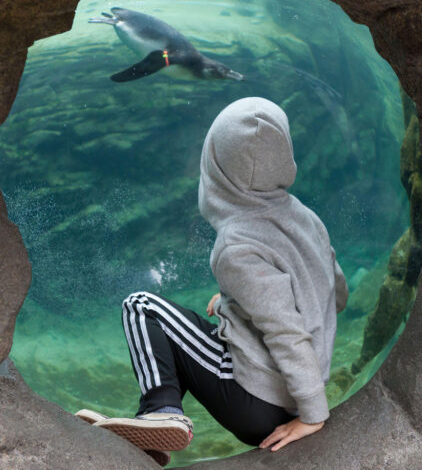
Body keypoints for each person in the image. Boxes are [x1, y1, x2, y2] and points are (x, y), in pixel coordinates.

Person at [76, 97, 348, 464]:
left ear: (216, 167)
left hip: (260, 404)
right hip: (290, 391)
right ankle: (155, 433)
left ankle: (160, 412)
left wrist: (313, 416)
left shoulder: (236, 244)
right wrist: (231, 302)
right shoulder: (306, 218)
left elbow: (286, 330)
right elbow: (335, 295)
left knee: (141, 307)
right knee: (195, 329)